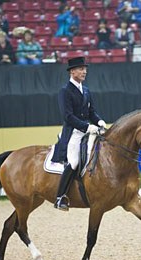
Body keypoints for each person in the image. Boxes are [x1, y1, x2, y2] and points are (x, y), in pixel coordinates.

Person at [51, 56, 106, 211]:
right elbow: (67, 116)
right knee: (74, 162)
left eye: (85, 69)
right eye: (81, 69)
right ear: (72, 71)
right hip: (73, 133)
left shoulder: (86, 91)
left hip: (87, 131)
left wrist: (99, 121)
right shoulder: (65, 91)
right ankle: (59, 196)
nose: (84, 71)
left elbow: (92, 112)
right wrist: (87, 127)